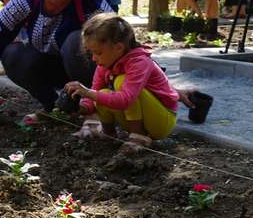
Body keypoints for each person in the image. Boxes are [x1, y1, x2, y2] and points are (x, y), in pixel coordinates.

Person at [64, 12, 179, 152]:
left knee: (120, 81)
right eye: (91, 53)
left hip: (161, 122)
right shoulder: (104, 65)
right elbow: (95, 92)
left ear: (119, 47)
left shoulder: (139, 62)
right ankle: (109, 133)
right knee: (102, 92)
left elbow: (125, 100)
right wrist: (79, 107)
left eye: (98, 53)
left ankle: (138, 136)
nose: (94, 58)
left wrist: (88, 93)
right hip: (137, 119)